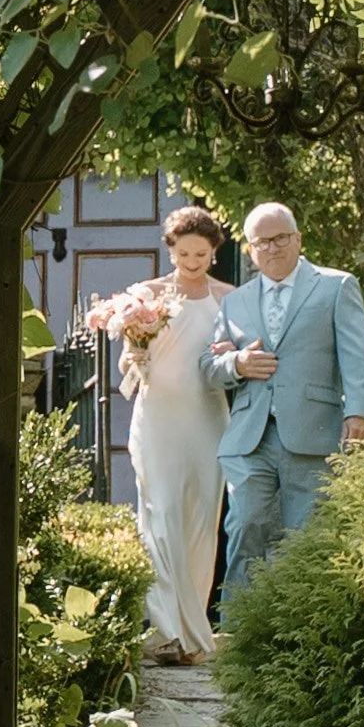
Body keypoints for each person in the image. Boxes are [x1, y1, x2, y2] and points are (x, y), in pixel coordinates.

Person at [206, 200, 364, 620]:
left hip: (314, 429)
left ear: (298, 239)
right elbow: (209, 365)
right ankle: (236, 636)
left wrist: (359, 413)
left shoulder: (336, 286)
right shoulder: (235, 302)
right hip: (250, 436)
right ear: (250, 250)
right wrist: (237, 364)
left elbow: (357, 353)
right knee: (245, 527)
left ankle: (303, 632)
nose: (273, 248)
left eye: (281, 238)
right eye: (262, 242)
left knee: (309, 535)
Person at [116, 203, 231, 666]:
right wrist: (135, 359)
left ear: (213, 254)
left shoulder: (228, 297)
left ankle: (192, 630)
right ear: (170, 251)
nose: (191, 262)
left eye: (200, 255)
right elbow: (128, 359)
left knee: (203, 519)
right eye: (183, 254)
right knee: (160, 515)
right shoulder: (146, 296)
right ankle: (165, 631)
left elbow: (237, 356)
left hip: (207, 419)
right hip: (158, 417)